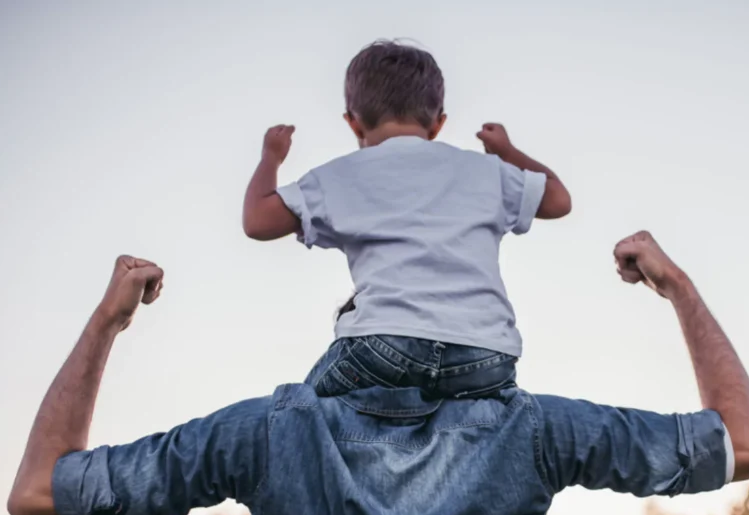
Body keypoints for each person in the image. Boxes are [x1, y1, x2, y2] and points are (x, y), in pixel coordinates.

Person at [7, 231, 749, 515]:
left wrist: (108, 321)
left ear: (347, 331)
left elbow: (40, 490)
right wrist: (676, 287)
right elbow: (746, 444)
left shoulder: (267, 436)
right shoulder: (533, 432)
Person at [241, 40, 572, 400]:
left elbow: (257, 221)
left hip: (385, 348)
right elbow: (559, 200)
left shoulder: (340, 176)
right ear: (438, 124)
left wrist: (270, 158)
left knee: (301, 411)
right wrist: (507, 151)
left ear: (353, 123)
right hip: (486, 355)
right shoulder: (484, 171)